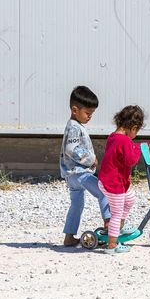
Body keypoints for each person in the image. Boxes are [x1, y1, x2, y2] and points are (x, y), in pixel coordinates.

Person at [60, 86, 111, 247]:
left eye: (92, 114)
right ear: (75, 110)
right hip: (79, 173)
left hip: (71, 175)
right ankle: (110, 228)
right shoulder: (75, 127)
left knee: (77, 204)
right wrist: (91, 159)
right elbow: (71, 149)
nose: (90, 117)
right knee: (103, 191)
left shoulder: (74, 125)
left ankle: (69, 236)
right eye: (88, 113)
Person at [98, 105, 145, 254]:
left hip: (111, 180)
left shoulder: (113, 136)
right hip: (114, 184)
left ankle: (120, 226)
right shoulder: (124, 141)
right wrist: (137, 148)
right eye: (137, 131)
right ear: (133, 128)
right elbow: (130, 160)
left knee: (130, 198)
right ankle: (112, 245)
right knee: (116, 214)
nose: (136, 134)